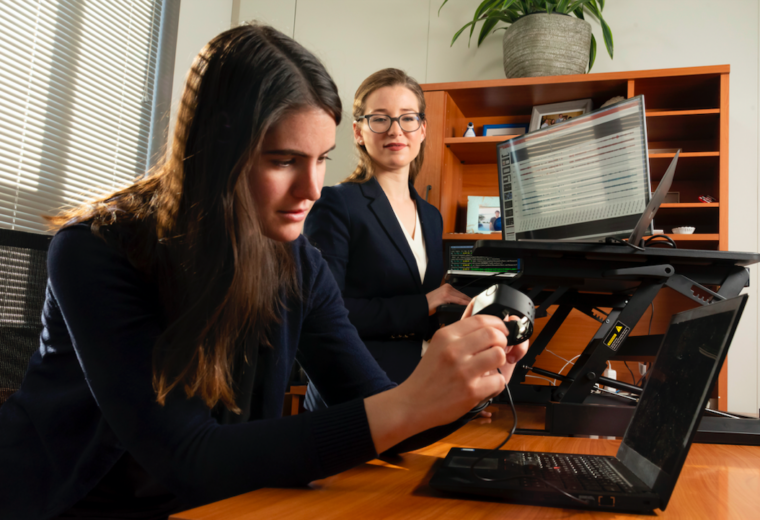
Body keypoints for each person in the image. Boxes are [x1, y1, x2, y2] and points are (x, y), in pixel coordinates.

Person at [0, 25, 528, 520]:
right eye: (283, 161)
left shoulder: (298, 262)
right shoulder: (97, 250)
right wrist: (410, 404)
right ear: (212, 153)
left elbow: (371, 403)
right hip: (81, 500)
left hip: (221, 497)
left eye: (321, 158)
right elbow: (188, 457)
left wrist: (465, 385)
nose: (313, 189)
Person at [303, 68, 471, 390]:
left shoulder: (432, 217)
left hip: (426, 382)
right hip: (358, 386)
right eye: (380, 119)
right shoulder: (337, 204)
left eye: (407, 119)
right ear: (358, 131)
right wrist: (425, 303)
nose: (396, 131)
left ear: (422, 129)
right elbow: (323, 312)